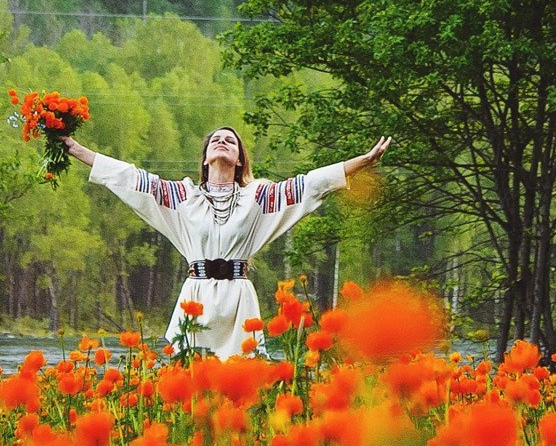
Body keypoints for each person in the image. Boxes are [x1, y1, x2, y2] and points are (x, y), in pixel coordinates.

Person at [61, 126, 390, 357]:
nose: (221, 142)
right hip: (196, 297)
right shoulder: (182, 197)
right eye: (215, 140)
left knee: (241, 379)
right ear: (205, 158)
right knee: (187, 377)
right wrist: (75, 148)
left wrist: (363, 161)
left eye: (229, 141)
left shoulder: (258, 197)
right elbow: (130, 178)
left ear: (240, 160)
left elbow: (310, 185)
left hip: (238, 301)